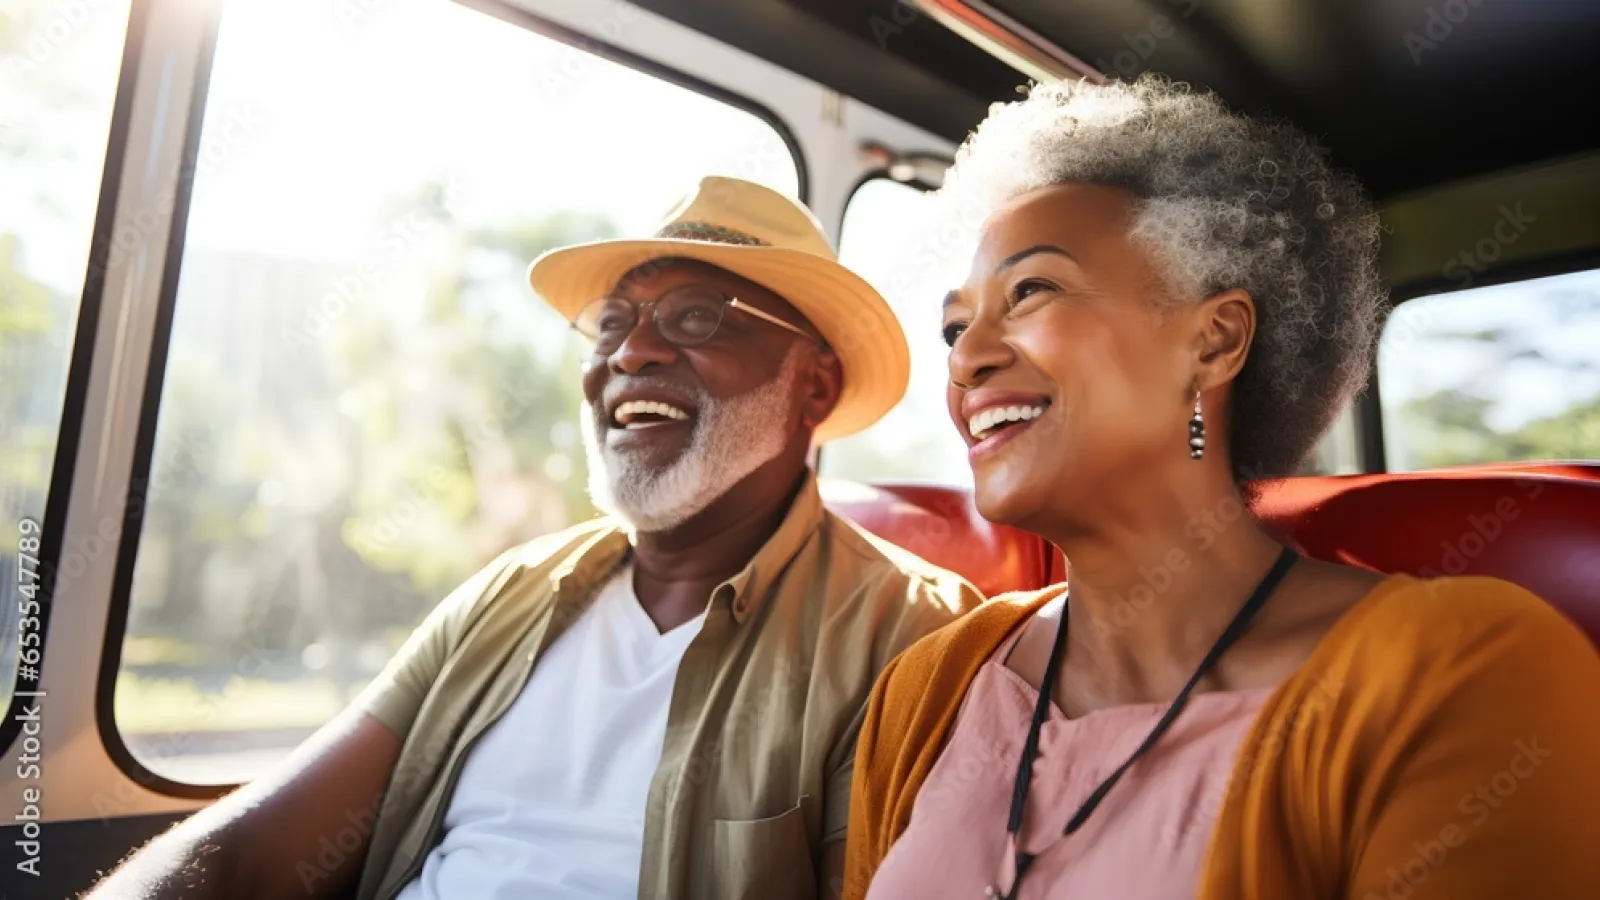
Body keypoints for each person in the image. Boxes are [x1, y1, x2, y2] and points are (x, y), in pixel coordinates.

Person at [86, 176, 982, 900]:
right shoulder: (510, 594)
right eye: (615, 322)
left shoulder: (915, 640)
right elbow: (244, 855)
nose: (632, 353)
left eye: (698, 316)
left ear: (813, 388)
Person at [843, 75, 1600, 900]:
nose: (964, 357)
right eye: (956, 326)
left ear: (1215, 340)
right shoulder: (928, 687)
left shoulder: (1464, 677)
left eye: (1031, 290)